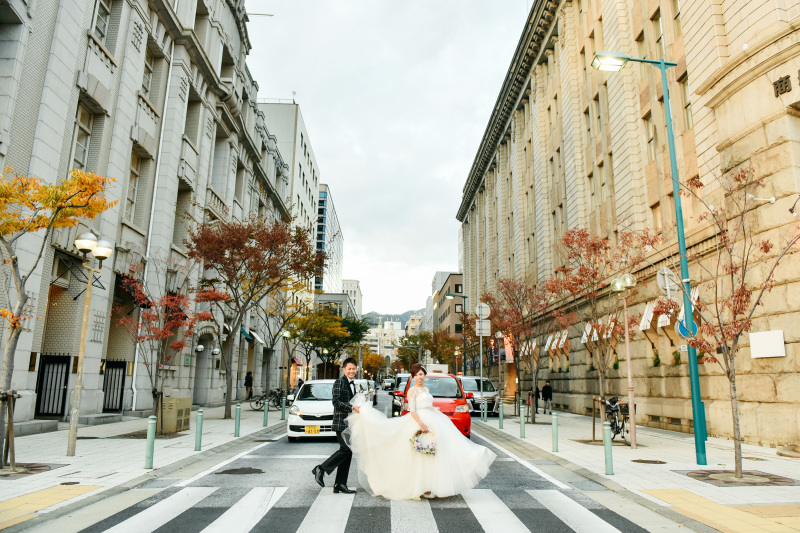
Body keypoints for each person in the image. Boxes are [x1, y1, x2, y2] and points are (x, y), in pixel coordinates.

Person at [344, 363, 496, 500]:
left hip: (433, 419)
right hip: (419, 423)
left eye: (421, 374)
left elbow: (428, 405)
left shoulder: (426, 389)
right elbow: (413, 411)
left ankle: (429, 486)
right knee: (420, 455)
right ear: (413, 377)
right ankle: (421, 487)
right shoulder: (412, 391)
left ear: (424, 375)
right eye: (416, 375)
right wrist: (422, 425)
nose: (419, 377)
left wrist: (436, 412)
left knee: (434, 453)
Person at [313, 358, 361, 494]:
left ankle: (340, 483)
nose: (351, 371)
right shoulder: (339, 382)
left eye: (353, 368)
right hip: (341, 422)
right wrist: (352, 407)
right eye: (349, 369)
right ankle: (321, 469)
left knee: (348, 452)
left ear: (356, 369)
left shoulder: (353, 383)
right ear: (344, 369)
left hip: (350, 423)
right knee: (345, 450)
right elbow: (336, 402)